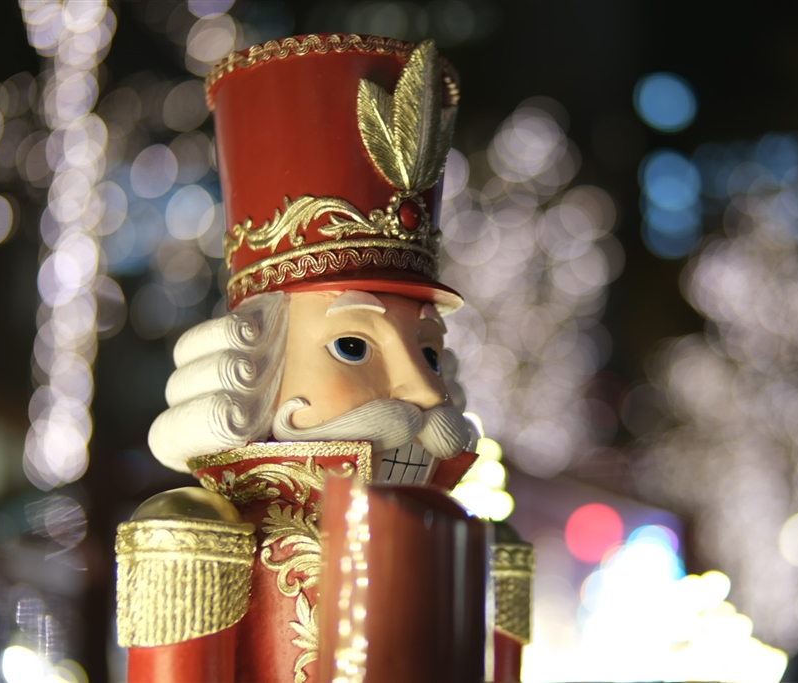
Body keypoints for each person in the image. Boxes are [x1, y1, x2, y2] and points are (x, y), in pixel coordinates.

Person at [114, 35, 531, 683]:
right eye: (353, 346)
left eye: (429, 352)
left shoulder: (470, 538)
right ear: (258, 364)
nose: (427, 392)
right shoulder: (200, 529)